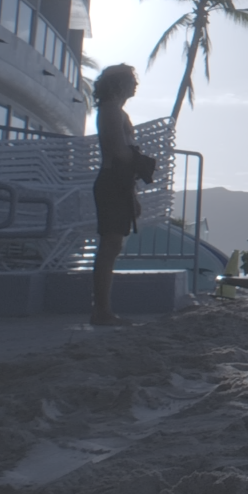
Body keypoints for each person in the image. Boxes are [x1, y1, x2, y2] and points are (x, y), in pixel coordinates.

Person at [90, 63, 150, 326]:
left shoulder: (116, 111)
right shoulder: (110, 111)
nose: (134, 85)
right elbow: (117, 150)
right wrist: (142, 162)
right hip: (111, 180)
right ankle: (101, 310)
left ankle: (103, 309)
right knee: (110, 245)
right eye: (130, 81)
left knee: (113, 245)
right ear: (119, 85)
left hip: (119, 182)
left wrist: (133, 192)